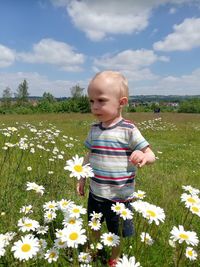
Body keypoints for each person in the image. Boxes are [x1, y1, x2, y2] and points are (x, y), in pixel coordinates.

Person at [77, 70, 156, 267]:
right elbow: (89, 154)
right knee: (93, 226)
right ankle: (94, 249)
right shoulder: (94, 130)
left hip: (120, 198)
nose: (94, 106)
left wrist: (143, 156)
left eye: (101, 100)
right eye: (91, 101)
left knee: (117, 232)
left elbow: (151, 154)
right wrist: (81, 176)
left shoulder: (128, 129)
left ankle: (115, 258)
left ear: (122, 102)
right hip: (96, 193)